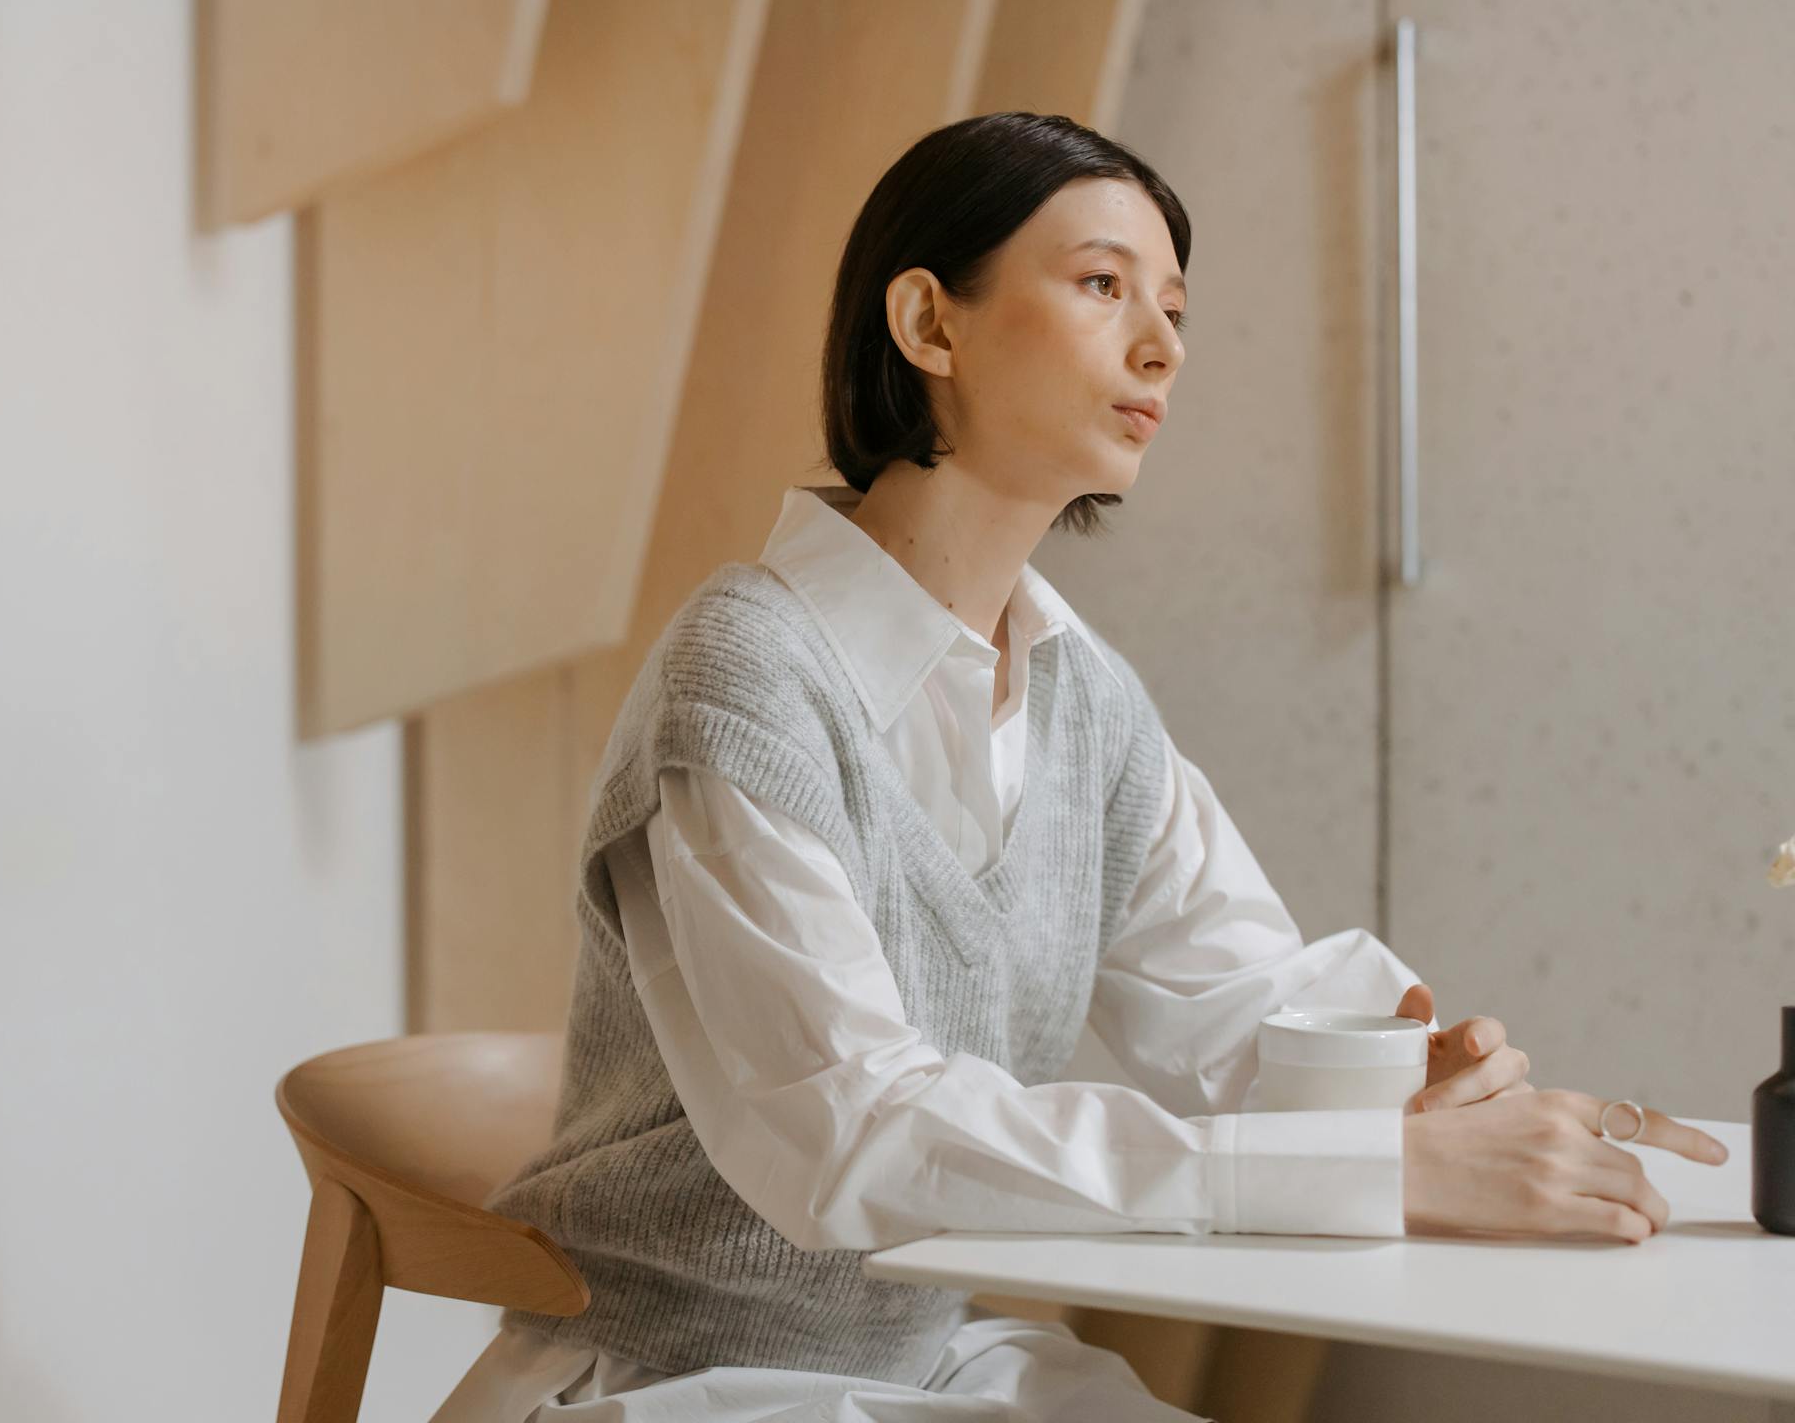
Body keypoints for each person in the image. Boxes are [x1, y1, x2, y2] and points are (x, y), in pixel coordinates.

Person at [428, 113, 1730, 1423]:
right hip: (675, 1378)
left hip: (923, 1363)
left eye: (1171, 305)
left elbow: (1237, 1000)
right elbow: (850, 1134)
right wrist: (1367, 1172)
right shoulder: (746, 681)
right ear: (929, 324)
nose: (1161, 345)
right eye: (1104, 286)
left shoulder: (1080, 696)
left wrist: (1411, 1083)